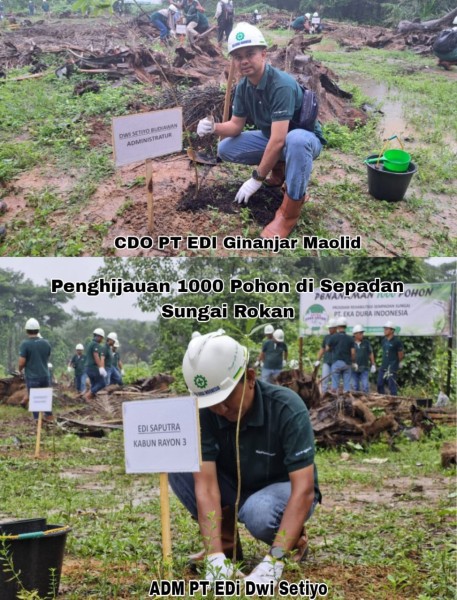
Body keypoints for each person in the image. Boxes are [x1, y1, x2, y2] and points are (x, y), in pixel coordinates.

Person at [169, 330, 321, 588]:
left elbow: (303, 489)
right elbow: (205, 484)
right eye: (211, 403)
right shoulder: (206, 412)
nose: (220, 410)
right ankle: (224, 552)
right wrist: (214, 556)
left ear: (250, 378)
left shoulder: (286, 408)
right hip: (235, 487)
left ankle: (292, 541)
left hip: (281, 492)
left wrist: (274, 561)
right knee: (180, 467)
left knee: (259, 512)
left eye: (226, 400)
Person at [196, 22, 326, 239]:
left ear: (264, 54)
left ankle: (289, 213)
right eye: (237, 57)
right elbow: (236, 125)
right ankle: (280, 169)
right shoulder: (244, 87)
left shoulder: (280, 85)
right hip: (275, 139)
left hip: (303, 140)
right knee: (225, 148)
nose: (243, 61)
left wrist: (256, 178)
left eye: (250, 53)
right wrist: (213, 127)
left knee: (295, 141)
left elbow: (278, 141)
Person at [18, 318, 53, 423]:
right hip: (45, 376)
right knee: (45, 399)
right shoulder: (46, 343)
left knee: (35, 399)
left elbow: (21, 362)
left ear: (26, 330)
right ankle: (50, 419)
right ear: (38, 330)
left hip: (32, 377)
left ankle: (37, 420)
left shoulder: (25, 344)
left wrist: (19, 370)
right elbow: (47, 356)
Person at [327, 317, 356, 393]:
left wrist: (332, 349)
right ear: (345, 326)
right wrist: (353, 362)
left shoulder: (334, 337)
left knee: (335, 384)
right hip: (347, 364)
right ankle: (347, 399)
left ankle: (334, 400)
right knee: (347, 385)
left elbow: (327, 348)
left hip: (336, 363)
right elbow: (353, 353)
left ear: (337, 327)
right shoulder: (350, 338)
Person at [377, 321, 404, 396]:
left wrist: (400, 362)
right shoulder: (384, 341)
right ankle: (382, 399)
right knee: (379, 384)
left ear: (392, 330)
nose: (384, 331)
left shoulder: (397, 341)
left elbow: (400, 354)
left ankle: (394, 401)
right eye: (384, 329)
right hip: (383, 366)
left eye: (386, 329)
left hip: (392, 367)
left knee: (391, 385)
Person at [314, 318, 336, 394]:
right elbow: (322, 349)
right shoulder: (326, 337)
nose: (329, 329)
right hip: (327, 361)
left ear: (335, 328)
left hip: (335, 361)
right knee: (325, 379)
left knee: (334, 380)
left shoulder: (338, 337)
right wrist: (318, 360)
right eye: (329, 328)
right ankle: (324, 395)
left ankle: (334, 396)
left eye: (331, 328)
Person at [351, 325, 376, 394]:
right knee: (355, 387)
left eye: (362, 333)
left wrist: (373, 364)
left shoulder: (366, 343)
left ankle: (366, 401)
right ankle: (356, 403)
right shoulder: (351, 343)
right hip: (353, 369)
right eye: (360, 333)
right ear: (355, 334)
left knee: (365, 386)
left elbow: (371, 353)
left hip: (364, 368)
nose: (362, 335)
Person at [84, 328, 106, 401]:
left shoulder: (90, 344)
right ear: (99, 336)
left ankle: (90, 400)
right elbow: (96, 356)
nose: (102, 340)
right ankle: (87, 396)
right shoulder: (96, 344)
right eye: (102, 338)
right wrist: (101, 368)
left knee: (94, 384)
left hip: (87, 368)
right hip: (93, 367)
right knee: (102, 383)